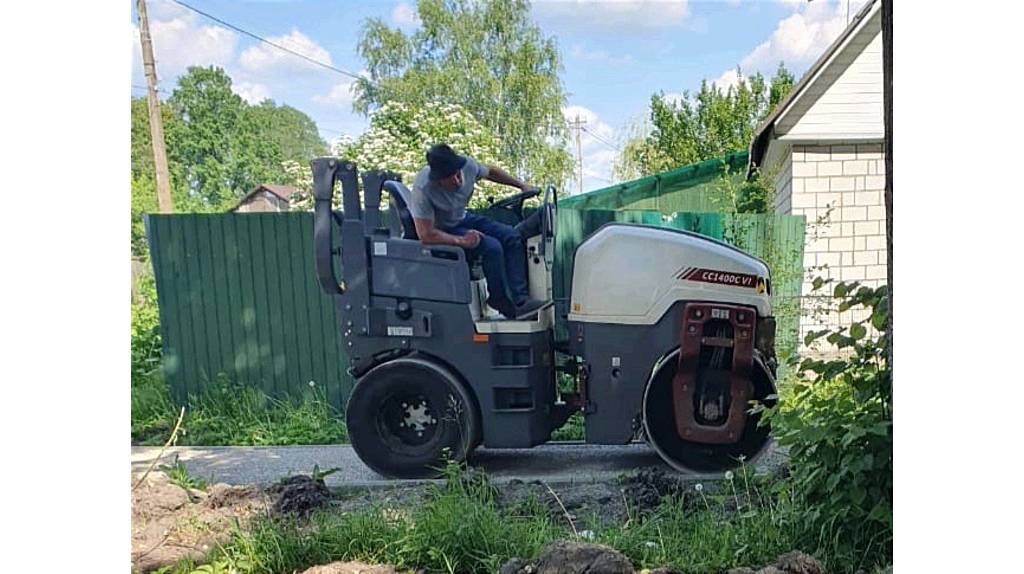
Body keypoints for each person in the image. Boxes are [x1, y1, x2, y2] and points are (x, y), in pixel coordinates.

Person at [410, 143, 549, 320]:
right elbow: (425, 234)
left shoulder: (467, 165)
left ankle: (521, 302)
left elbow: (490, 172)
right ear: (437, 179)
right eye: (449, 178)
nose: (457, 181)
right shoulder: (422, 189)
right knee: (493, 247)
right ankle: (498, 300)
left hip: (463, 218)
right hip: (443, 229)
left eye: (457, 174)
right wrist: (462, 241)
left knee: (511, 236)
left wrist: (521, 185)